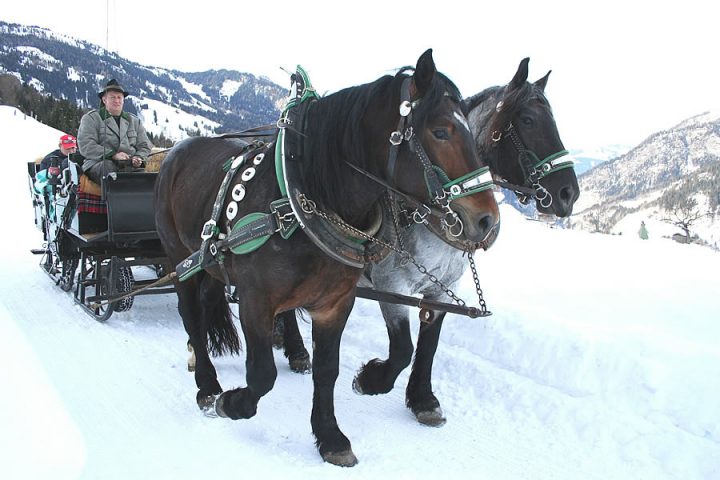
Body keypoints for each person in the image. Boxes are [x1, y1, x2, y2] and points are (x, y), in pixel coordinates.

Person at [77, 79, 153, 185]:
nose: (116, 100)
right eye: (112, 97)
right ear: (104, 100)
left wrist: (139, 157)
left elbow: (145, 146)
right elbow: (86, 145)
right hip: (99, 165)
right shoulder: (91, 118)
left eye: (119, 97)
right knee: (108, 167)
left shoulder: (135, 121)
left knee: (149, 180)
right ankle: (114, 200)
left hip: (129, 166)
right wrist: (112, 155)